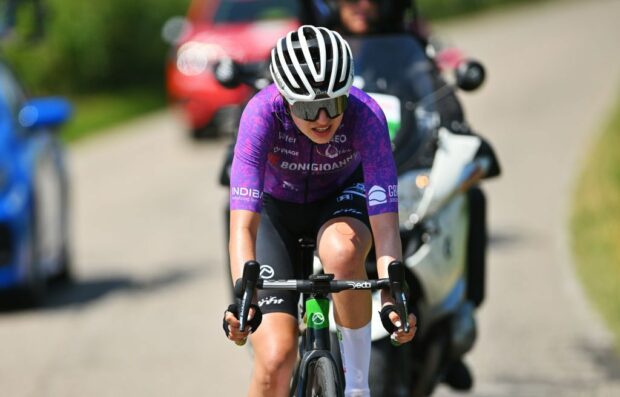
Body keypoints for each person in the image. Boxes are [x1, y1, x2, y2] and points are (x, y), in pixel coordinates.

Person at [222, 25, 417, 397]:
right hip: (277, 212)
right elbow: (242, 227)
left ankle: (358, 386)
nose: (325, 118)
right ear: (285, 98)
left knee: (342, 252)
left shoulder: (366, 115)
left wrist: (394, 292)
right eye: (310, 108)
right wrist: (243, 298)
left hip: (339, 200)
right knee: (277, 359)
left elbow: (385, 224)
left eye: (335, 102)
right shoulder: (261, 114)